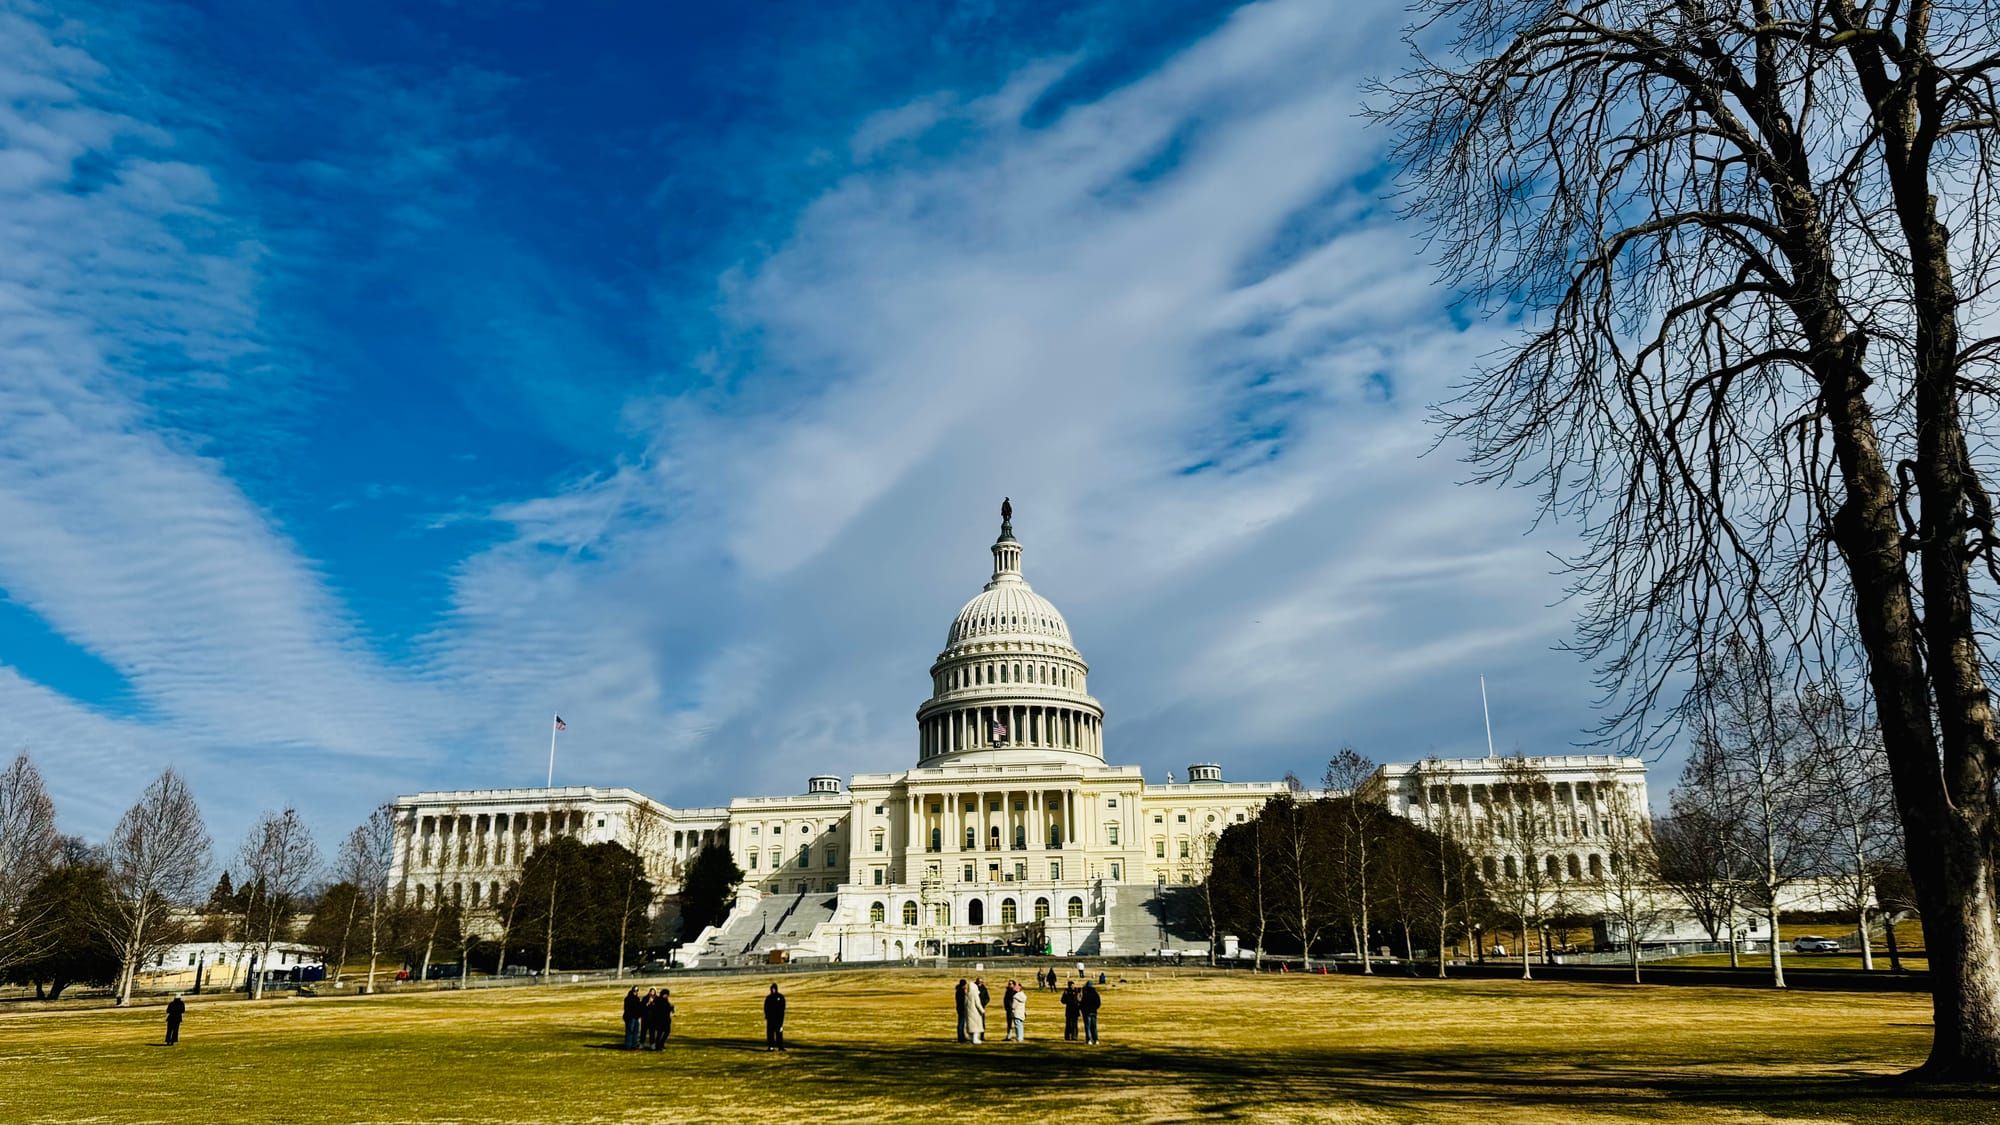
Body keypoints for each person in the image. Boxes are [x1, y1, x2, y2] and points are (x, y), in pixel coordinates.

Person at [764, 983, 787, 1051]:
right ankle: (771, 1046)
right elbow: (766, 1007)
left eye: (774, 989)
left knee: (779, 1032)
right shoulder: (768, 998)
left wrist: (781, 1017)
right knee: (770, 1033)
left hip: (778, 1018)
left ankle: (780, 1046)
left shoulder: (780, 997)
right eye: (772, 989)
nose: (773, 990)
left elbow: (783, 1007)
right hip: (770, 1019)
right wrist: (767, 1015)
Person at [966, 977, 988, 1044]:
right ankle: (975, 1039)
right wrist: (982, 1011)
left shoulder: (968, 994)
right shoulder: (975, 994)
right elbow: (978, 1004)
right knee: (976, 1027)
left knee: (971, 1026)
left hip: (969, 1012)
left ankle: (971, 1039)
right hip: (975, 1013)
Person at [1079, 980, 1101, 1045]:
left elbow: (1082, 1003)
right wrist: (1095, 1008)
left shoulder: (1086, 994)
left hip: (1087, 1012)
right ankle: (1096, 1039)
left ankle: (1089, 1040)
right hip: (1094, 1012)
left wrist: (1081, 1009)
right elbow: (1098, 1003)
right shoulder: (1095, 994)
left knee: (1087, 1026)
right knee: (1094, 1026)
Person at [954, 978, 971, 1043]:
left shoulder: (958, 990)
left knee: (962, 1023)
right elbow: (963, 1000)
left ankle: (962, 1036)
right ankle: (960, 1037)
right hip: (962, 1009)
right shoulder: (961, 991)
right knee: (961, 1023)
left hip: (960, 1008)